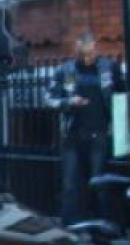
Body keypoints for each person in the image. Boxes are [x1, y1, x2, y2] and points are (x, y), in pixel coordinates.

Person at [47, 33, 118, 224]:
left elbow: (121, 95)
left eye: (91, 52)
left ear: (96, 49)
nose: (87, 57)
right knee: (70, 183)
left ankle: (103, 221)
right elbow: (50, 100)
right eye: (83, 53)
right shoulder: (65, 71)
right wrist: (70, 101)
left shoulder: (109, 68)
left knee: (99, 180)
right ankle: (70, 223)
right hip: (72, 133)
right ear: (76, 51)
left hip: (100, 132)